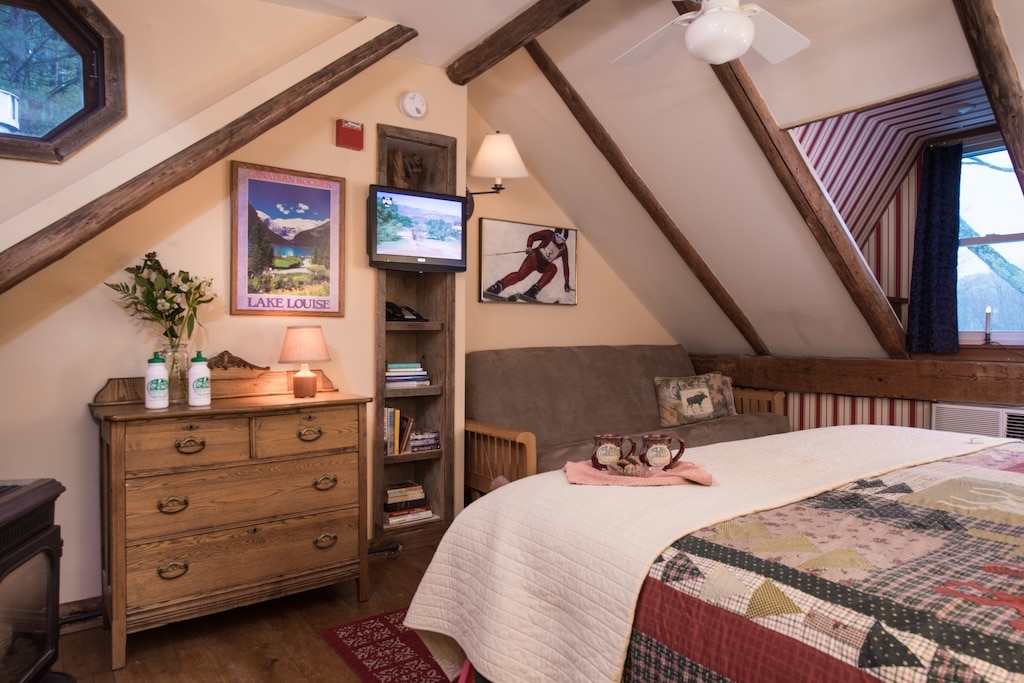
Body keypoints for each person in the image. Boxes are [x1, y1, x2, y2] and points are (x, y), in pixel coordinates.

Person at [484, 228, 572, 302]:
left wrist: (567, 282)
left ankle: (533, 291)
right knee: (520, 276)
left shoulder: (563, 249)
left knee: (553, 268)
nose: (559, 240)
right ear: (555, 234)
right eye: (557, 237)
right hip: (535, 258)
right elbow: (533, 236)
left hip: (544, 265)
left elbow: (566, 265)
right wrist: (529, 246)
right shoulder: (548, 234)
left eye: (562, 239)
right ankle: (498, 286)